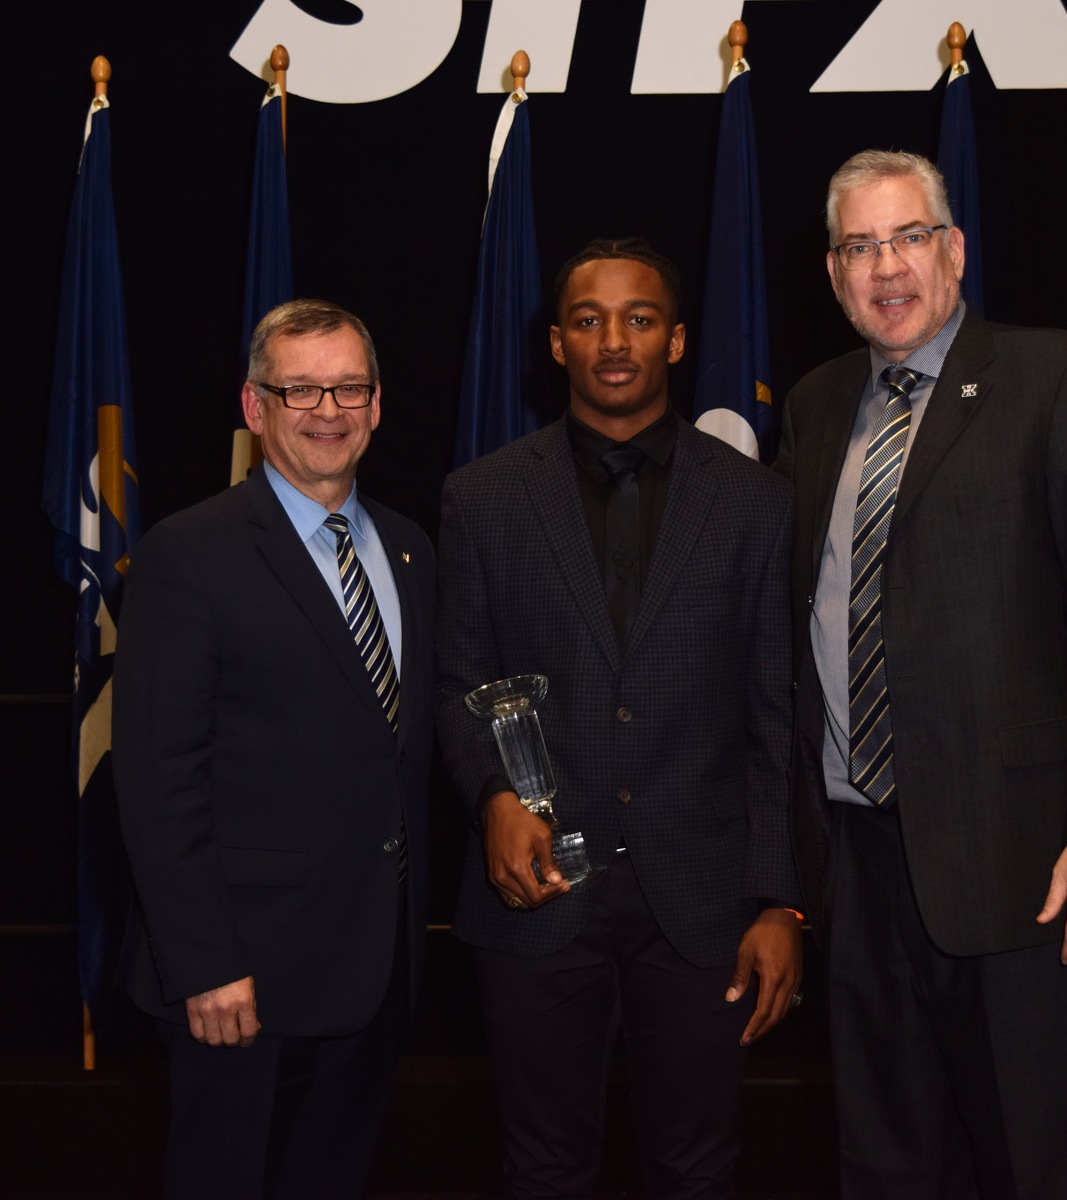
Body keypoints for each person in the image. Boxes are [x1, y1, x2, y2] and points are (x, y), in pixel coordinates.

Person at [775, 151, 1067, 1197]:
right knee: (885, 1164)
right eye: (860, 246)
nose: (886, 267)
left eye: (908, 238)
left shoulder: (1056, 377)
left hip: (1025, 864)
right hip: (856, 862)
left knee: (1037, 1162)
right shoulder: (814, 405)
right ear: (834, 272)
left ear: (953, 250)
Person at [435, 239, 803, 1197]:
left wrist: (779, 901)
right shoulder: (482, 498)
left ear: (674, 341)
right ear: (557, 343)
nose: (613, 341)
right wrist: (492, 795)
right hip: (536, 893)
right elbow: (457, 683)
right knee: (543, 1167)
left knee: (699, 1168)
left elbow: (776, 717)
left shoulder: (759, 504)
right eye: (588, 320)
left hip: (706, 902)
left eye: (638, 320)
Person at [112, 300, 434, 1199]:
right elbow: (157, 781)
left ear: (377, 405)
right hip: (241, 982)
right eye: (301, 390)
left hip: (375, 967)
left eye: (349, 388)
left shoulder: (410, 549)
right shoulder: (189, 553)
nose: (328, 410)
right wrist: (204, 963)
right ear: (256, 407)